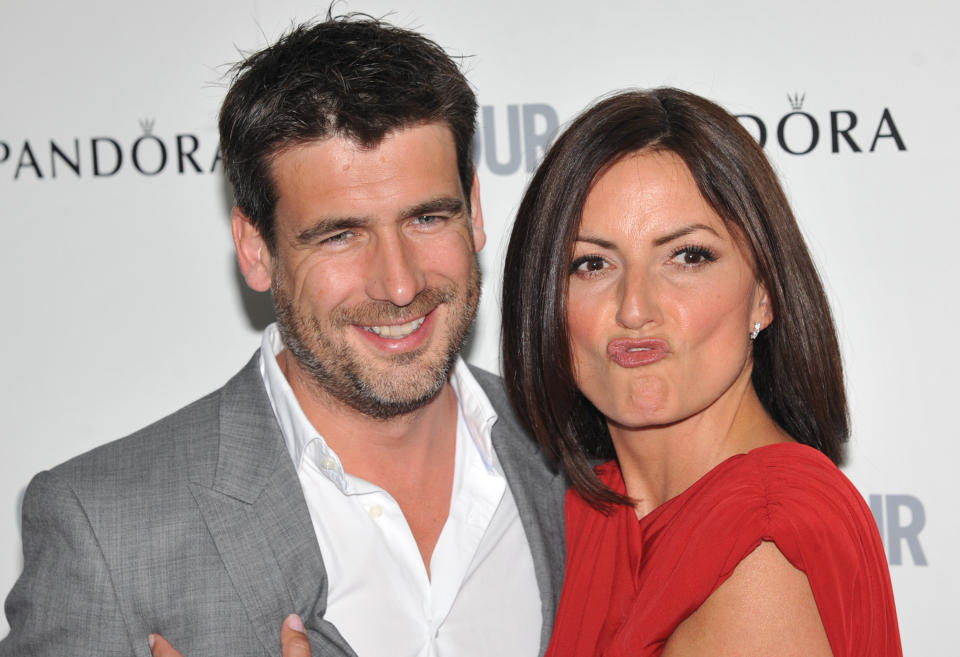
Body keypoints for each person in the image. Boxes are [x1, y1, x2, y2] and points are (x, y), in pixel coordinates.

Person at [0, 14, 567, 657]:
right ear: (256, 247)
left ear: (476, 210)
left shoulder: (577, 460)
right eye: (341, 235)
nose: (400, 284)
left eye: (427, 217)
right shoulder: (105, 529)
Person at [501, 88, 902, 656]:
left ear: (764, 293)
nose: (635, 306)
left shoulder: (762, 542)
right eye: (592, 264)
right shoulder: (589, 513)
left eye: (688, 256)